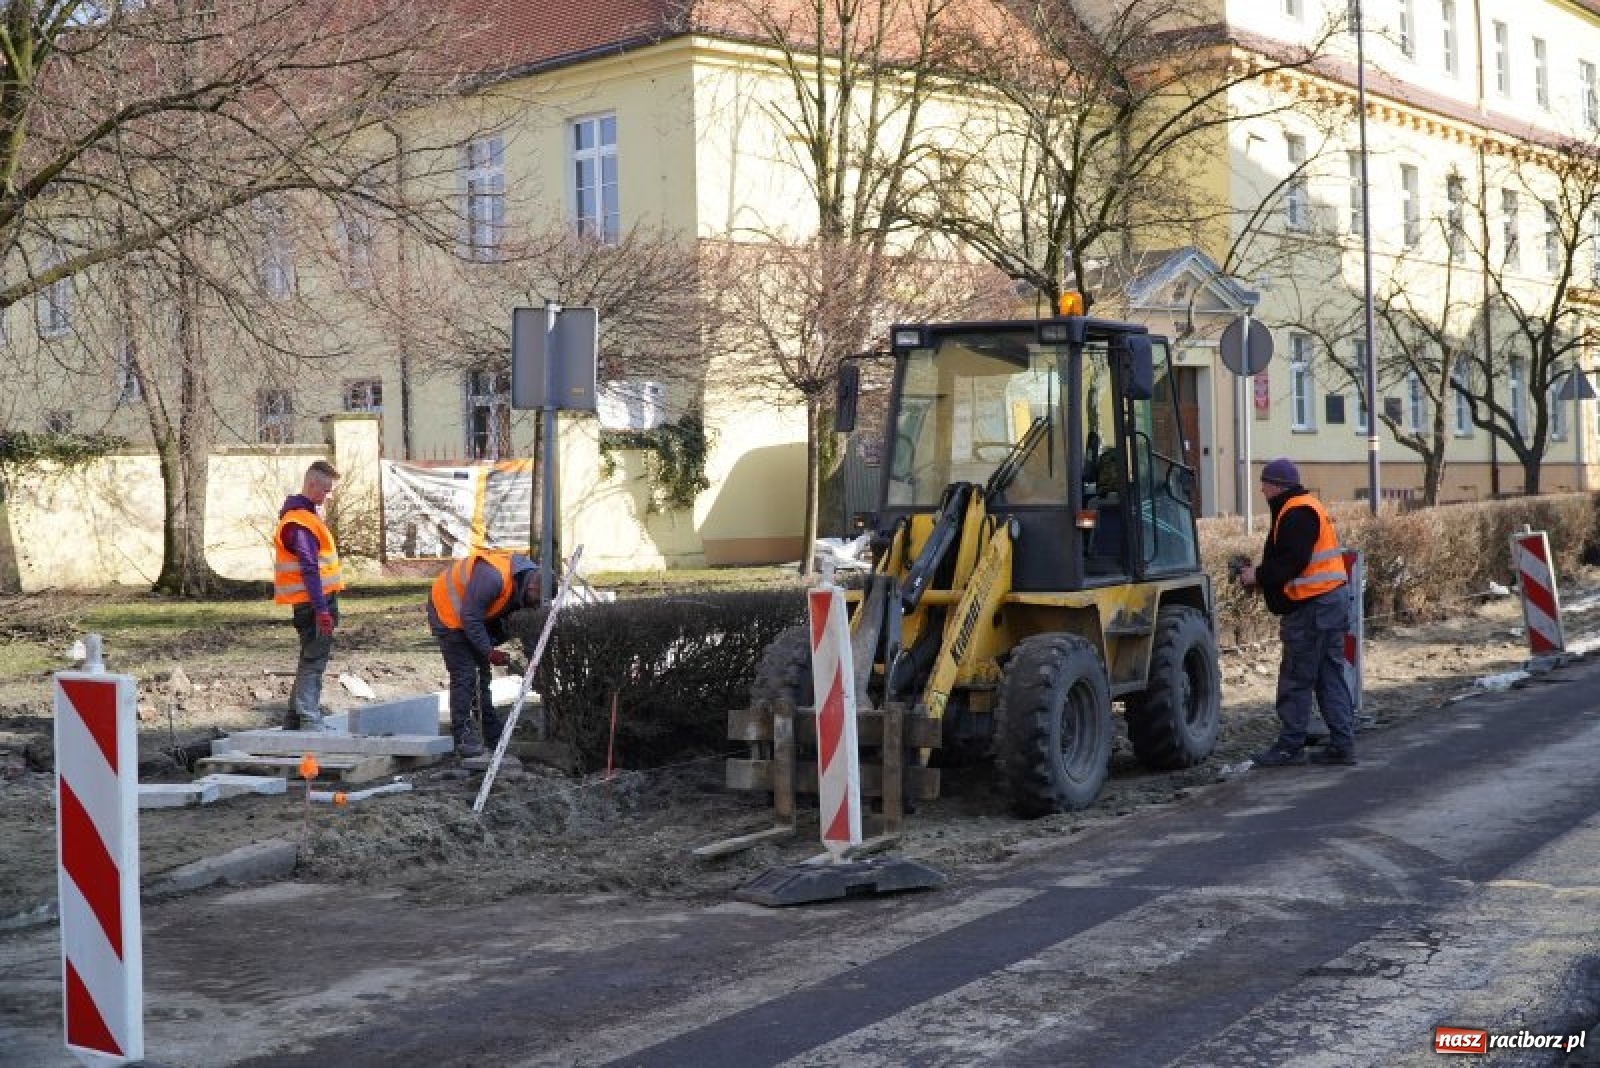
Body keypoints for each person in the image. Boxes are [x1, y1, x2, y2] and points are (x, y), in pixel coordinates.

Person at [1239, 457, 1357, 767]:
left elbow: (1292, 561)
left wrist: (1257, 576)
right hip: (1329, 601)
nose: (1262, 490)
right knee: (1330, 675)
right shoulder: (1307, 507)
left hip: (1312, 607)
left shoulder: (1295, 512)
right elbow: (1300, 562)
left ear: (1278, 486)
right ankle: (1342, 744)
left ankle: (1290, 746)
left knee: (1296, 677)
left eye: (1264, 484)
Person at [428, 551, 540, 757]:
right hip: (448, 612)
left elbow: (528, 625)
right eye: (535, 601)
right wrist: (489, 651)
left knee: (482, 676)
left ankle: (490, 732)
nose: (534, 605)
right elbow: (470, 617)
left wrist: (535, 662)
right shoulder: (493, 578)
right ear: (532, 587)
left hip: (475, 614)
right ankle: (463, 737)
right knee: (465, 675)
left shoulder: (526, 580)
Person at [273, 460, 344, 731]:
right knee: (314, 660)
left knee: (309, 658)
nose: (327, 496)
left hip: (313, 601)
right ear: (311, 484)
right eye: (325, 490)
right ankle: (308, 717)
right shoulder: (299, 524)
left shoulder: (305, 517)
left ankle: (294, 719)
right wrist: (322, 609)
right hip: (314, 603)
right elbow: (309, 568)